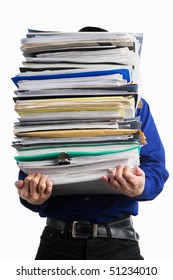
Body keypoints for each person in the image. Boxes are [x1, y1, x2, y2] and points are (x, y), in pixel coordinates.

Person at [14, 26, 169, 260]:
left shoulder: (136, 107)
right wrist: (33, 197)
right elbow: (30, 171)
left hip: (118, 245)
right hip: (57, 244)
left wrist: (141, 185)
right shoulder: (41, 106)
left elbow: (155, 169)